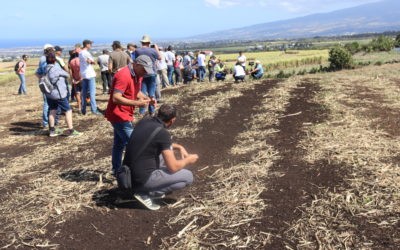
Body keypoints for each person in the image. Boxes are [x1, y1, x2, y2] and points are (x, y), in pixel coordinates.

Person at [123, 104, 198, 210]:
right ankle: (146, 193)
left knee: (167, 155)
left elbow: (155, 143)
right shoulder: (163, 133)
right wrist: (188, 160)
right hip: (141, 180)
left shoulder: (145, 121)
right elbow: (173, 167)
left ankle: (147, 187)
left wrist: (179, 147)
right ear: (172, 120)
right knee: (188, 177)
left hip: (128, 174)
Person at [105, 55, 153, 175]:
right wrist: (137, 103)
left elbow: (135, 92)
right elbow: (116, 98)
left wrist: (146, 99)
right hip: (118, 115)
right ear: (136, 64)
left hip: (125, 113)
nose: (145, 73)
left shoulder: (138, 75)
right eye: (144, 70)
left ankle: (117, 170)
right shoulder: (123, 75)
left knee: (119, 144)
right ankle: (138, 172)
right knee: (134, 144)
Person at [44, 52, 80, 137]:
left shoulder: (45, 68)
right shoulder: (56, 68)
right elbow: (67, 74)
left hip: (49, 93)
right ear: (54, 60)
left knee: (52, 110)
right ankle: (71, 130)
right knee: (68, 110)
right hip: (59, 94)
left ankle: (52, 131)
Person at [134, 34, 161, 116]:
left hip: (142, 73)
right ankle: (152, 111)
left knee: (142, 92)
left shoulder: (137, 51)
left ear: (142, 42)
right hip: (152, 72)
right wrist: (156, 49)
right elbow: (160, 58)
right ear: (149, 42)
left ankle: (142, 111)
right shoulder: (153, 51)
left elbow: (135, 61)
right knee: (152, 93)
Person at [36, 44, 59, 128]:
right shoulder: (46, 59)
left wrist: (42, 79)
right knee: (49, 102)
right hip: (49, 83)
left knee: (47, 102)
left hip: (44, 84)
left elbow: (37, 73)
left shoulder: (42, 58)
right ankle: (49, 121)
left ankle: (47, 122)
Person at [79, 39, 101, 115]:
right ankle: (94, 110)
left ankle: (83, 109)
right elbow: (92, 62)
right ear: (87, 44)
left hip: (84, 74)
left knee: (84, 93)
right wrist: (92, 62)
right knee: (92, 93)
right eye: (90, 44)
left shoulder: (80, 53)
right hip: (90, 74)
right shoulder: (86, 53)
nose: (91, 46)